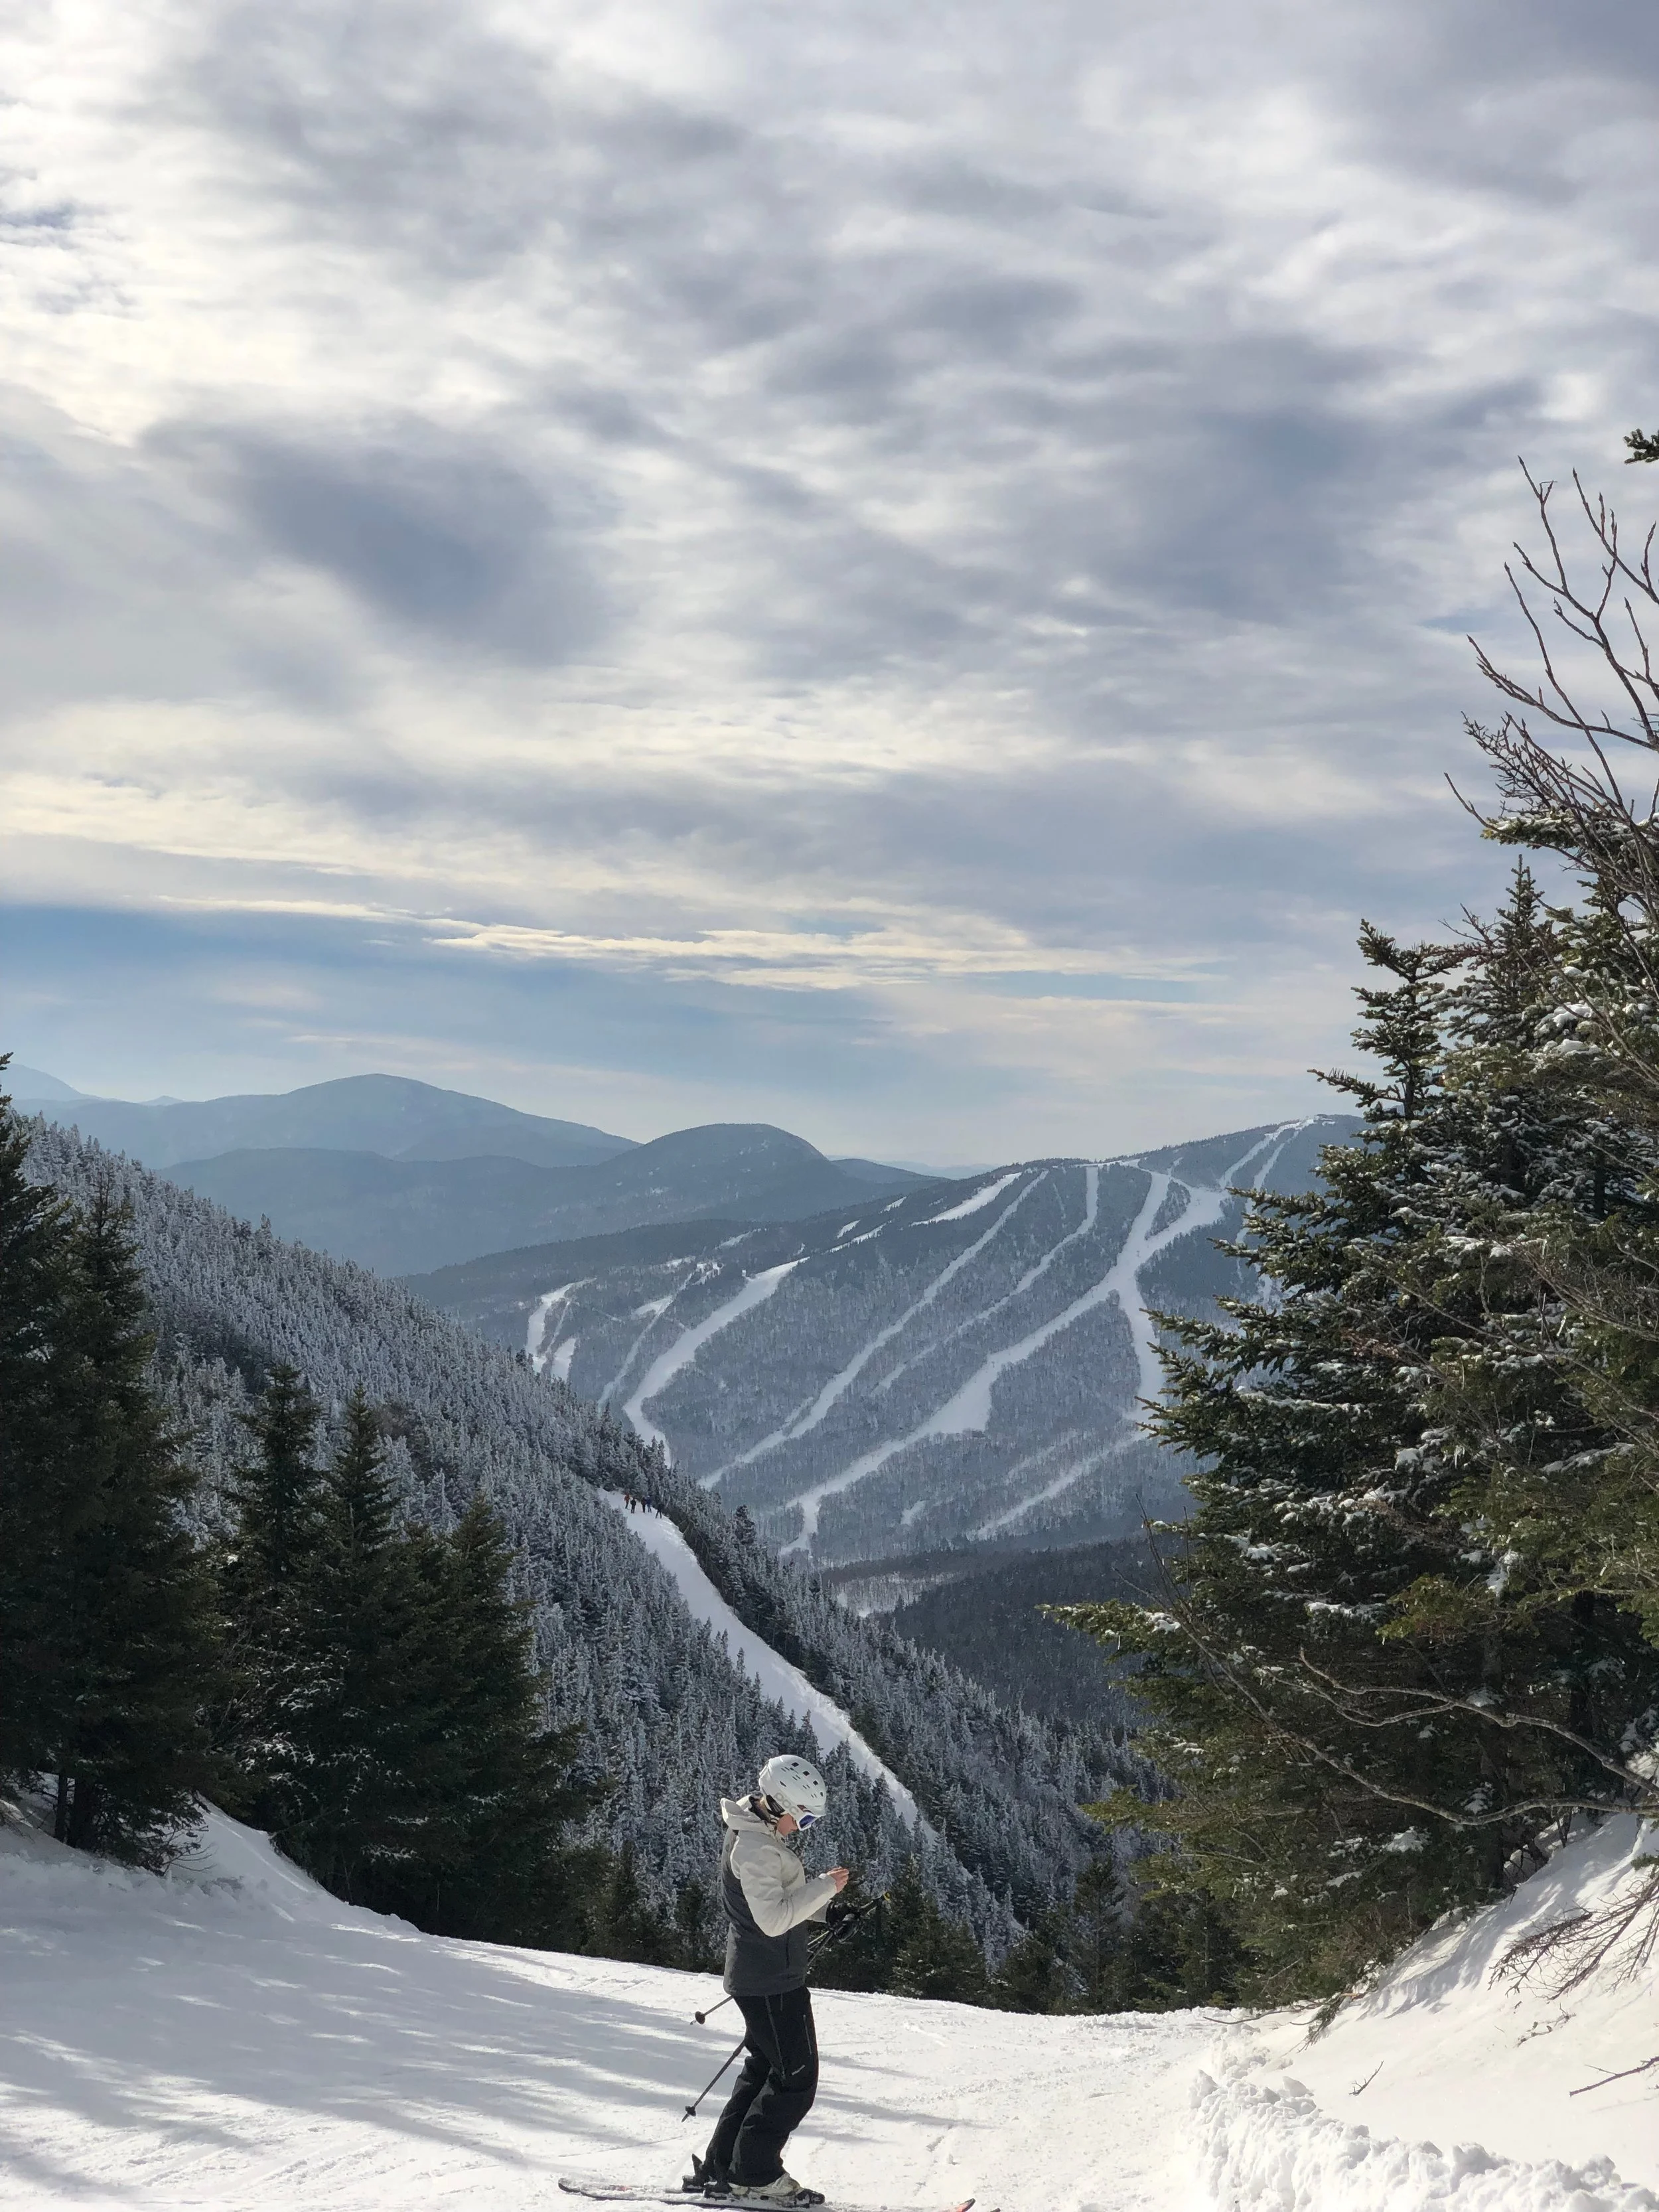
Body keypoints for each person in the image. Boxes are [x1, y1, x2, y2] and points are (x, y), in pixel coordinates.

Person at [688, 1755, 851, 2206]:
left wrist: (828, 1910)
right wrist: (825, 1888)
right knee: (795, 2079)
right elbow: (775, 1918)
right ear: (780, 1805)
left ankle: (724, 2165)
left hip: (765, 1974)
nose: (806, 1826)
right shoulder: (755, 1848)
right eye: (805, 1817)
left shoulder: (757, 1832)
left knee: (764, 2068)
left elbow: (781, 1901)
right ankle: (754, 2174)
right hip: (770, 1981)